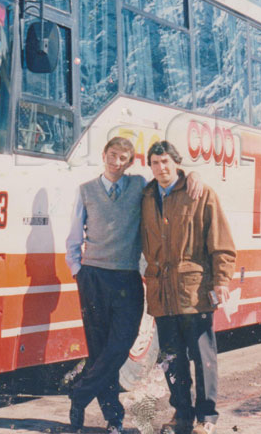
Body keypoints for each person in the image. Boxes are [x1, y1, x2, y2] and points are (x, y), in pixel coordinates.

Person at [65, 136, 202, 433]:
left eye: (124, 158)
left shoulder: (139, 186)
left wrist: (192, 174)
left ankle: (80, 394)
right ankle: (113, 421)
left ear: (130, 162)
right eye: (113, 156)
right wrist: (78, 271)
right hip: (93, 278)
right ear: (104, 155)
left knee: (121, 345)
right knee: (100, 351)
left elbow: (168, 178)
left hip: (126, 277)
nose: (117, 163)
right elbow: (74, 236)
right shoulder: (86, 190)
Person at [140, 140, 236, 434]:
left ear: (177, 163)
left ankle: (206, 419)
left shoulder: (200, 193)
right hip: (162, 293)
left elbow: (220, 241)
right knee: (171, 358)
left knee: (202, 356)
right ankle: (181, 415)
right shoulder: (145, 197)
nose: (161, 168)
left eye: (166, 162)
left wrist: (221, 279)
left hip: (194, 291)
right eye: (155, 163)